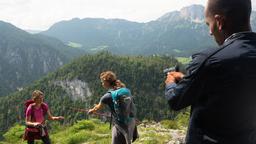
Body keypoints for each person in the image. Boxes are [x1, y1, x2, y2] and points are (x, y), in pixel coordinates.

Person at [165, 0, 256, 143]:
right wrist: (188, 78)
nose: (209, 32)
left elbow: (176, 100)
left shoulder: (210, 61)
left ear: (220, 22)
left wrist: (170, 82)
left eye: (209, 24)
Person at [88, 71, 138, 144]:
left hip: (119, 126)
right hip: (131, 123)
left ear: (107, 82)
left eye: (102, 82)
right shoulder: (123, 89)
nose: (102, 84)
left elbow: (97, 108)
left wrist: (91, 110)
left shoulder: (106, 97)